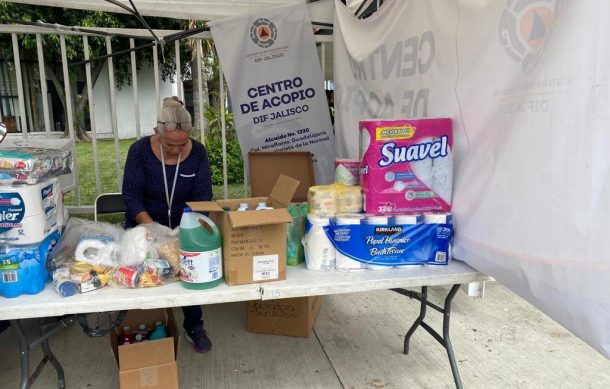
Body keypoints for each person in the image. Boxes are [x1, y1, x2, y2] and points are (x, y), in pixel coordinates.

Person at [122, 96, 213, 353]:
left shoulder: (197, 153)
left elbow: (203, 196)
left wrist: (186, 229)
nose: (176, 149)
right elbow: (131, 194)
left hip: (184, 226)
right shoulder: (139, 151)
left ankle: (194, 325)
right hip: (145, 227)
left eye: (182, 143)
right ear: (157, 133)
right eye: (170, 144)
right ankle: (149, 328)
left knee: (189, 274)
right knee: (147, 279)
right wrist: (152, 229)